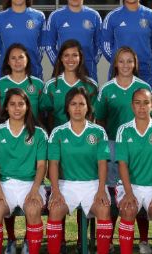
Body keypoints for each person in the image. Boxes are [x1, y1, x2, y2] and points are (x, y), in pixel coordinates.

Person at [94, 46, 152, 253]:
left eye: (130, 61)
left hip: (140, 150)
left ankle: (143, 240)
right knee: (114, 194)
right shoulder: (107, 89)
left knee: (140, 190)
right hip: (113, 148)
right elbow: (99, 120)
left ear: (135, 64)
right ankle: (108, 239)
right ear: (115, 64)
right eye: (121, 61)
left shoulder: (143, 86)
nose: (126, 65)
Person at [46, 87, 112, 254]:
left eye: (81, 104)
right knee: (55, 209)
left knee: (104, 209)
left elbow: (102, 163)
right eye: (73, 104)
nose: (77, 108)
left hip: (93, 183)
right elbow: (53, 164)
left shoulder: (98, 131)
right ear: (67, 107)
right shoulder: (58, 132)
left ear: (88, 107)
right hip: (66, 184)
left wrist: (101, 189)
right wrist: (55, 191)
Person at [0, 88, 48, 254]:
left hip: (31, 184)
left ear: (27, 106)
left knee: (33, 209)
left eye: (21, 104)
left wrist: (35, 190)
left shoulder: (39, 133)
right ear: (6, 107)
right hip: (5, 185)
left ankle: (31, 248)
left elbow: (42, 166)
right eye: (12, 104)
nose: (17, 108)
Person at [116, 88, 152, 254]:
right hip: (130, 185)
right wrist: (128, 192)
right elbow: (122, 164)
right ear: (132, 106)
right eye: (137, 103)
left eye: (146, 103)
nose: (142, 107)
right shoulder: (124, 130)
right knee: (128, 209)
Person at [101, 0, 152, 92]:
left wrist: (146, 59)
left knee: (144, 104)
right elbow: (105, 45)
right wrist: (119, 62)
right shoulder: (112, 16)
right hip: (119, 72)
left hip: (145, 71)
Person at [41, 39, 98, 131]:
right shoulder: (51, 86)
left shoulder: (91, 85)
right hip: (58, 139)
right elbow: (46, 116)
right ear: (61, 58)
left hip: (84, 139)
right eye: (66, 55)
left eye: (75, 55)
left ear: (80, 58)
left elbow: (94, 116)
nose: (70, 59)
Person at [43, 0, 102, 82]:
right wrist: (59, 63)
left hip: (89, 72)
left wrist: (91, 61)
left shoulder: (94, 15)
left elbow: (100, 44)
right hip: (64, 71)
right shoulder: (56, 16)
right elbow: (49, 45)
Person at [0, 0, 45, 79]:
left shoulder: (39, 16)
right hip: (6, 74)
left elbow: (41, 46)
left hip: (33, 73)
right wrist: (4, 65)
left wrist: (33, 62)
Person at [0, 43, 44, 121]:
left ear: (27, 59)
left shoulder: (38, 84)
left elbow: (43, 113)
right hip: (6, 131)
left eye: (21, 57)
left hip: (32, 130)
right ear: (8, 62)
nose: (17, 61)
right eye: (13, 58)